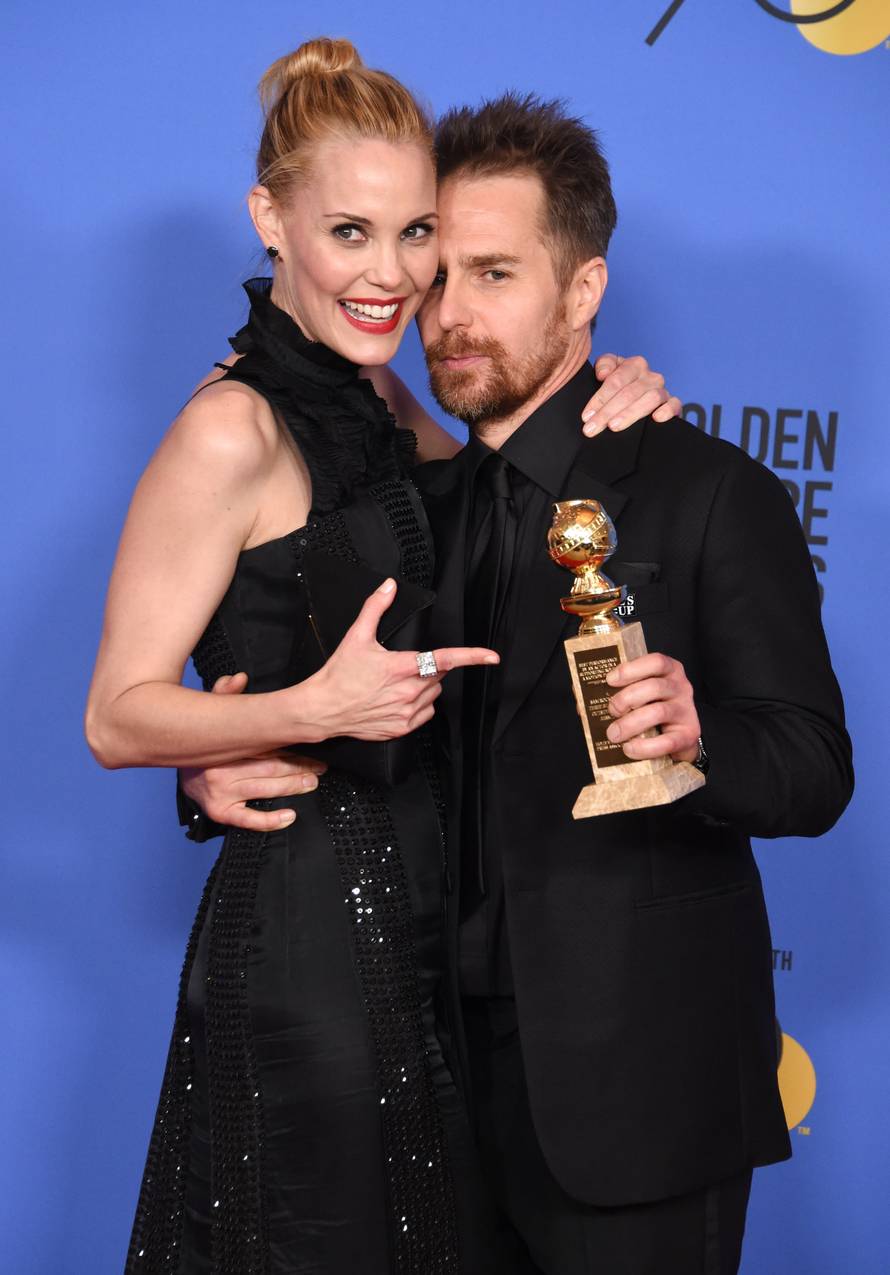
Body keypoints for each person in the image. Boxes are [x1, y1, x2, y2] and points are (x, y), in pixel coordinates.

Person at [191, 92, 854, 1274]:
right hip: (414, 1082)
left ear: (584, 291)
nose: (447, 316)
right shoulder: (400, 509)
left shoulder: (707, 491)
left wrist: (700, 743)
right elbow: (296, 694)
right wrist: (215, 757)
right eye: (435, 275)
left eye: (492, 275)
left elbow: (811, 768)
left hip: (636, 1096)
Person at [86, 39, 678, 1275]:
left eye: (416, 234)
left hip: (415, 930)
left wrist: (606, 375)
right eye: (350, 233)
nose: (394, 275)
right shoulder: (227, 426)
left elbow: (494, 481)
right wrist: (304, 708)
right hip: (303, 941)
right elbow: (115, 717)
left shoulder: (371, 398)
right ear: (270, 218)